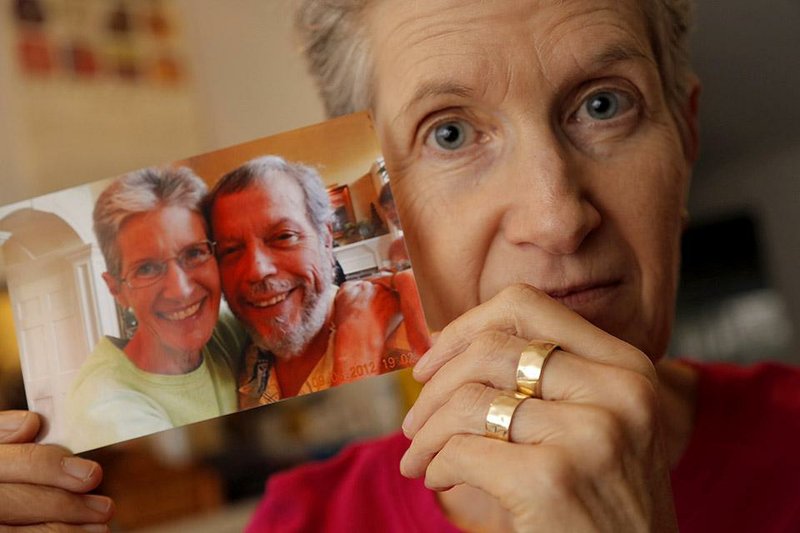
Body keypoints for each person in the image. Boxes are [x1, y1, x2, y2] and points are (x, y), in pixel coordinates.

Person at [3, 1, 800, 531]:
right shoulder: (305, 522)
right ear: (385, 204)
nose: (557, 218)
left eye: (604, 103)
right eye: (449, 134)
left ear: (685, 140)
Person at [202, 155, 430, 406]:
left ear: (326, 238)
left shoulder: (406, 338)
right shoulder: (235, 360)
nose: (257, 270)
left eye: (283, 236)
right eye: (231, 250)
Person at [65, 167, 243, 453]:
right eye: (146, 268)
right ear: (116, 289)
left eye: (194, 253)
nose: (181, 290)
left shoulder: (228, 330)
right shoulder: (107, 409)